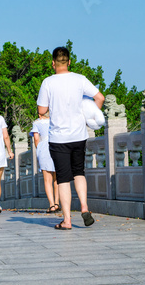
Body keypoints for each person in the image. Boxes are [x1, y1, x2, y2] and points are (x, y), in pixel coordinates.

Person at [37, 47, 105, 230]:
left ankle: (67, 220)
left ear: (53, 63)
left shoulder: (48, 83)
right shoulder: (79, 79)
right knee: (79, 172)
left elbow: (41, 110)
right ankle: (84, 206)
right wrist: (90, 117)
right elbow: (100, 97)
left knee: (64, 179)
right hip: (79, 135)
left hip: (59, 138)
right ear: (69, 62)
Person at [30, 112, 60, 213]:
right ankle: (57, 203)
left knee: (47, 180)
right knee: (57, 178)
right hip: (57, 146)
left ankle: (51, 205)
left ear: (39, 114)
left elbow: (36, 138)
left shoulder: (37, 123)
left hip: (44, 149)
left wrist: (39, 149)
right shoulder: (56, 120)